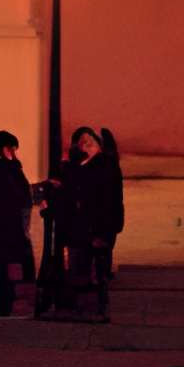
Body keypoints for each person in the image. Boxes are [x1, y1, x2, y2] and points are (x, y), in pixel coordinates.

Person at [53, 126, 124, 322]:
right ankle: (81, 309)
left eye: (90, 143)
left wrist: (105, 232)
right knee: (78, 270)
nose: (85, 147)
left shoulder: (106, 167)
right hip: (77, 230)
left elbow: (111, 202)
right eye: (81, 143)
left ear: (99, 147)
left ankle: (98, 310)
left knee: (97, 272)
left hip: (98, 229)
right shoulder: (74, 167)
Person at [0, 131, 37, 317]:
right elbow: (15, 193)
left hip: (7, 227)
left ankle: (6, 305)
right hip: (7, 228)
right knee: (7, 269)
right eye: (12, 148)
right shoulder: (3, 168)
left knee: (4, 269)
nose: (14, 152)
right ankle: (8, 305)